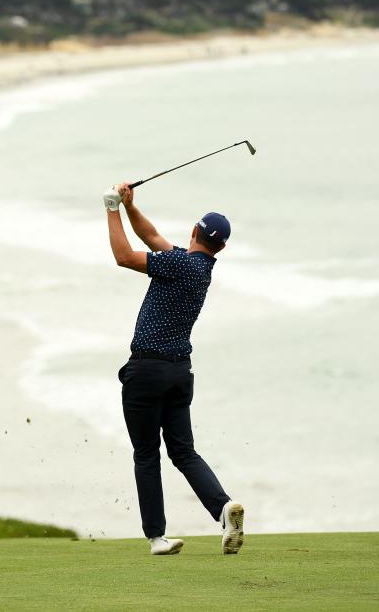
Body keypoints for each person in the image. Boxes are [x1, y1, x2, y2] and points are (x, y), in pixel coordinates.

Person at [104, 182, 244, 556]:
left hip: (147, 371)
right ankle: (223, 507)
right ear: (222, 247)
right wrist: (131, 206)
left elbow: (123, 256)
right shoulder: (197, 267)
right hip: (179, 372)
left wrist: (111, 208)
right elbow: (151, 237)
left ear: (194, 231)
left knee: (146, 453)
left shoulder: (179, 263)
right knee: (183, 452)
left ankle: (157, 538)